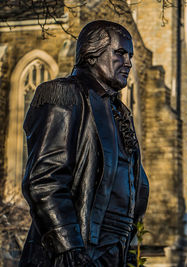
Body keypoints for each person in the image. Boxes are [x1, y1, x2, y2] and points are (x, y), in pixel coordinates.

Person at [19, 20, 149, 266]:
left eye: (130, 55)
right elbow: (45, 180)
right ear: (91, 55)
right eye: (120, 53)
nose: (129, 62)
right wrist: (69, 248)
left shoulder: (121, 114)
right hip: (77, 250)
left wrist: (130, 250)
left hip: (116, 251)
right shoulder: (63, 93)